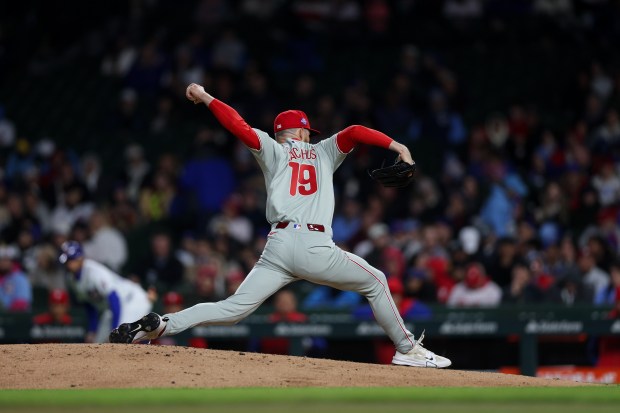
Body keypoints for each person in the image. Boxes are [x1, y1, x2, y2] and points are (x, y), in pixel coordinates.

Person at [110, 82, 451, 368]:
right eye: (308, 128)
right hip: (314, 245)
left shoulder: (273, 150)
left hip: (278, 245)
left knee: (231, 309)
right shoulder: (324, 152)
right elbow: (355, 131)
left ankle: (161, 325)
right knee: (376, 280)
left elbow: (238, 125)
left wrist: (206, 96)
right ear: (302, 130)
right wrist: (398, 146)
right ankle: (408, 350)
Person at [59, 241, 152, 343]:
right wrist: (92, 330)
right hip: (113, 309)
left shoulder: (94, 273)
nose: (68, 264)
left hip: (132, 299)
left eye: (71, 260)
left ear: (80, 258)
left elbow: (114, 298)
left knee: (120, 339)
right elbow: (89, 305)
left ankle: (146, 354)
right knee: (97, 344)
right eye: (67, 261)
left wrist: (115, 329)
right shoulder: (71, 279)